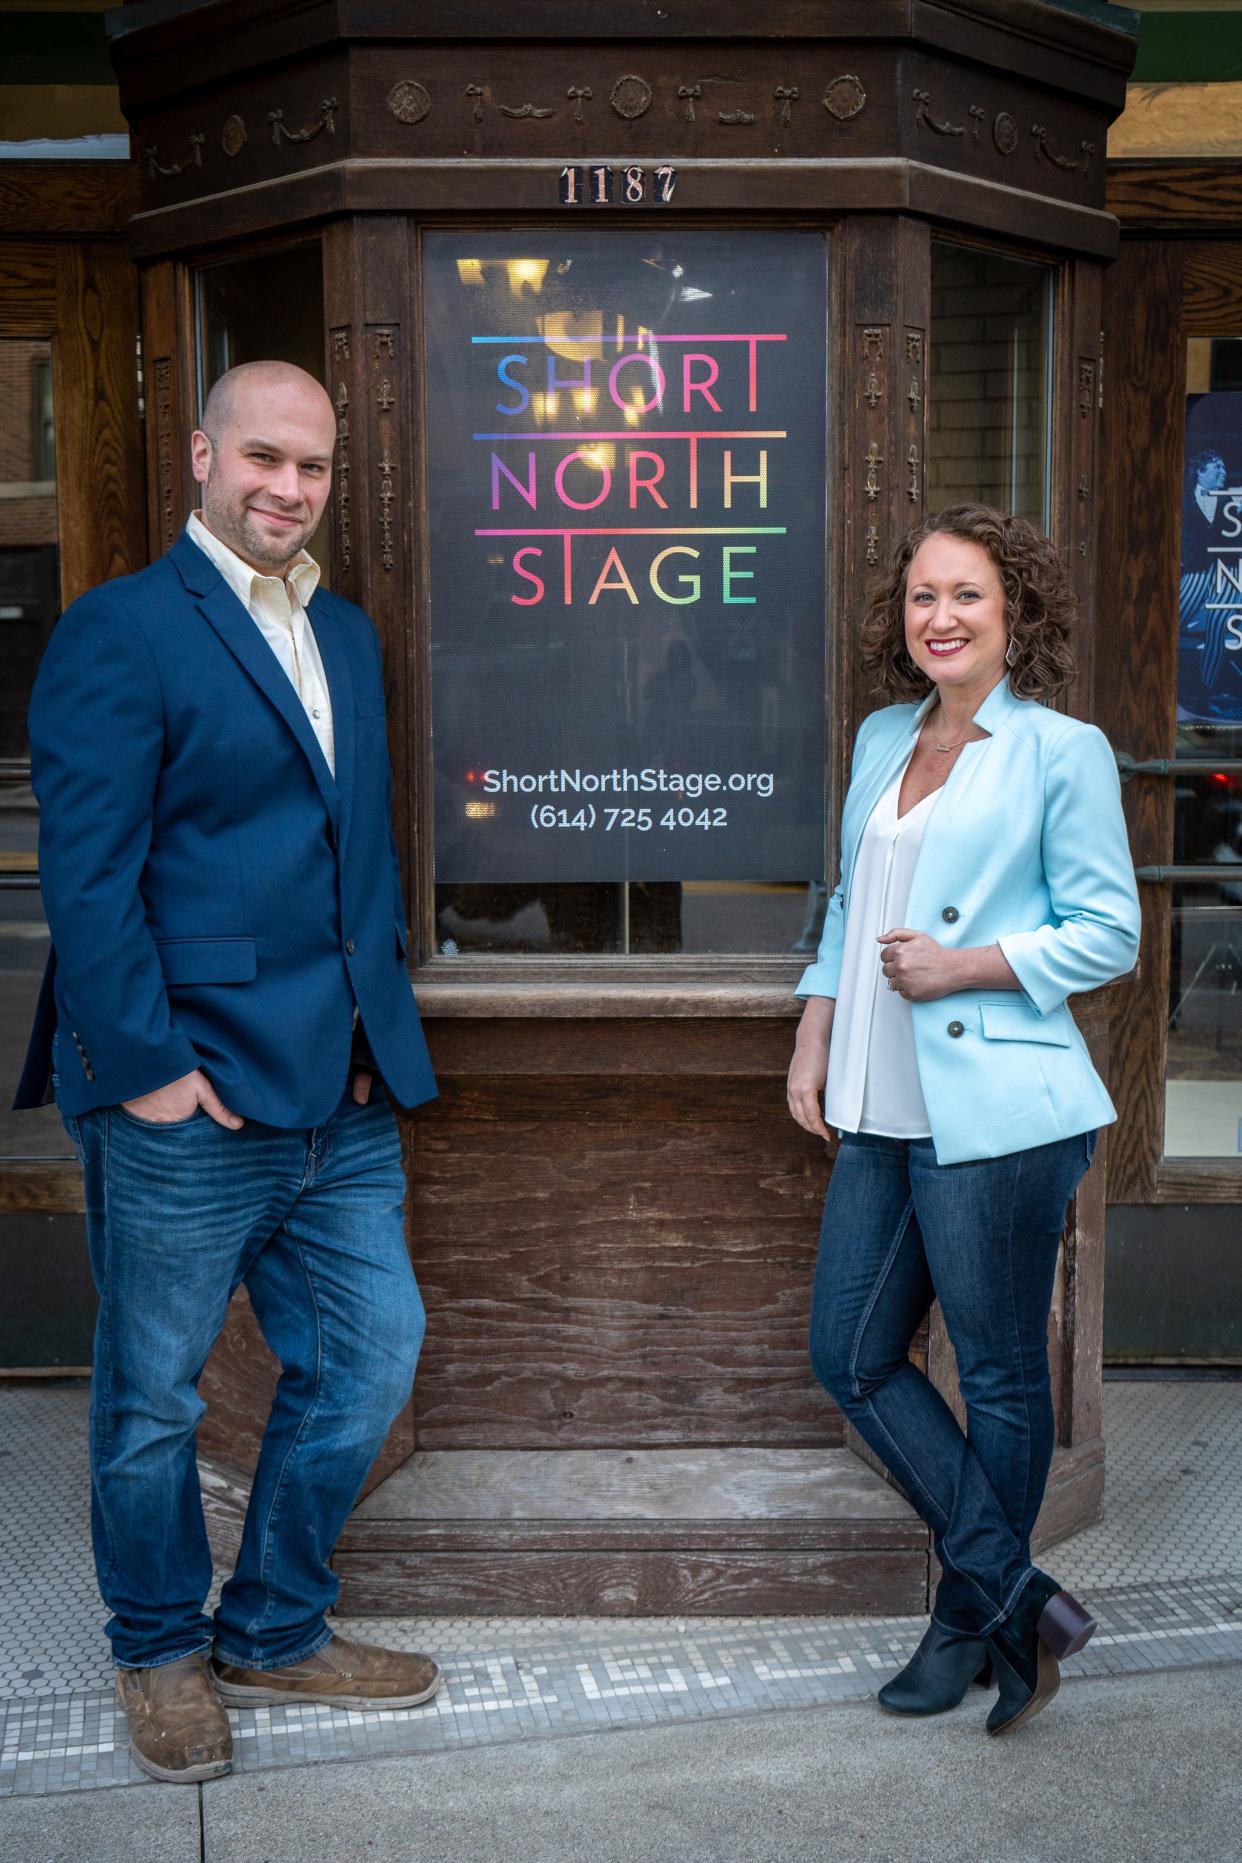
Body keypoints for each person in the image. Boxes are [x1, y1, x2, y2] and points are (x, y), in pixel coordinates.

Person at [14, 360, 440, 1784]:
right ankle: (157, 1650)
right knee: (153, 1400)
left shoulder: (348, 633)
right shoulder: (118, 630)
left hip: (341, 1090)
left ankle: (270, 1621)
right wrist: (145, 1072)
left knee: (370, 1357)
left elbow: (350, 851)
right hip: (185, 1096)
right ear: (202, 455)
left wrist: (377, 1034)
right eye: (262, 456)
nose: (287, 487)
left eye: (311, 467)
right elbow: (87, 875)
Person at [786, 504, 1140, 1736]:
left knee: (995, 1374)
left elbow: (1110, 932)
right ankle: (1018, 1599)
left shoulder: (1062, 750)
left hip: (1002, 1112)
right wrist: (814, 1030)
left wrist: (968, 963)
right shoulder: (885, 735)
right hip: (878, 1103)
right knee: (851, 1352)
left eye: (968, 597)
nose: (939, 617)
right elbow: (848, 902)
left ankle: (966, 1620)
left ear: (1016, 614)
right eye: (923, 597)